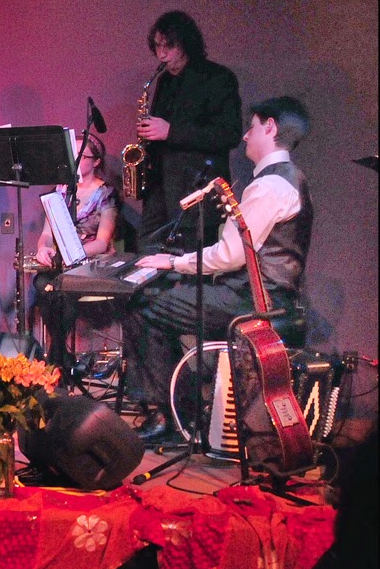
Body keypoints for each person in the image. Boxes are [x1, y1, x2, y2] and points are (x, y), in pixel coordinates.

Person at [124, 96, 312, 442]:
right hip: (265, 294)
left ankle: (167, 414)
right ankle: (186, 406)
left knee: (143, 306)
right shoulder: (292, 178)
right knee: (165, 296)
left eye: (252, 127)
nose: (245, 136)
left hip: (254, 300)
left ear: (270, 128)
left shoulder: (270, 185)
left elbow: (229, 256)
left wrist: (173, 262)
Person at [137, 10, 243, 252]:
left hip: (196, 190)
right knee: (146, 250)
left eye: (168, 46)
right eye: (157, 46)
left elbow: (229, 134)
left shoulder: (218, 78)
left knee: (189, 259)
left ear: (186, 44)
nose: (161, 54)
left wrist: (170, 131)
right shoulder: (164, 81)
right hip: (161, 187)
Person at [31, 133, 119, 371]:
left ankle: (57, 356)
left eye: (82, 156)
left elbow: (102, 242)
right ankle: (61, 354)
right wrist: (43, 248)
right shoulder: (60, 190)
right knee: (42, 284)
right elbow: (47, 233)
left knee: (65, 289)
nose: (75, 161)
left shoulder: (106, 193)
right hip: (62, 263)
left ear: (96, 161)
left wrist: (72, 255)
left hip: (90, 262)